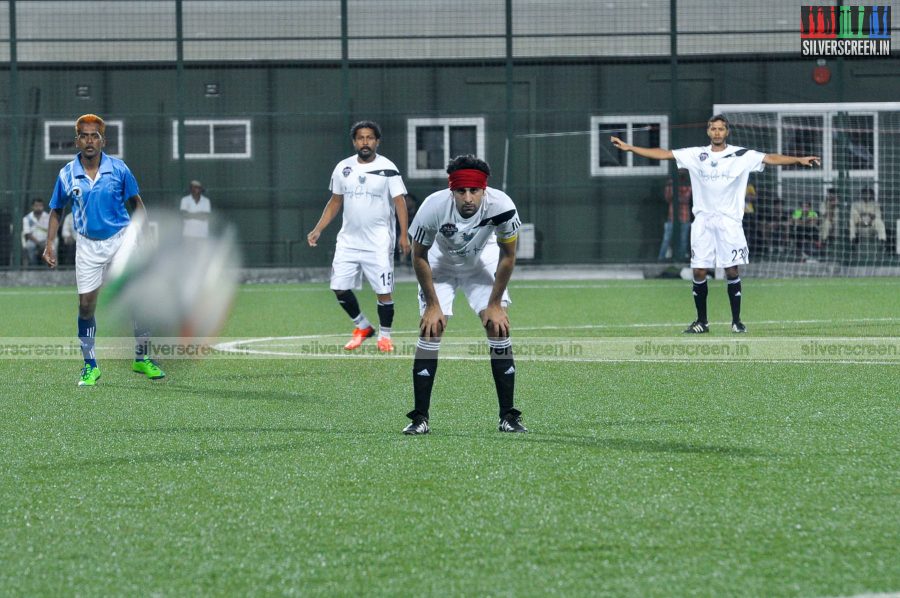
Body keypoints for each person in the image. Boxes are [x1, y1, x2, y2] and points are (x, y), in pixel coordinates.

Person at [611, 115, 820, 334]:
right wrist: (630, 148)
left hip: (729, 223)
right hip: (702, 222)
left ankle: (737, 321)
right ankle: (702, 322)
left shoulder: (742, 155)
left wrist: (798, 159)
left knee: (731, 270)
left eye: (721, 129)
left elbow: (770, 158)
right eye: (713, 129)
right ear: (708, 132)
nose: (717, 132)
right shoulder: (696, 154)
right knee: (699, 271)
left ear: (727, 132)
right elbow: (664, 154)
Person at [402, 155, 526, 435]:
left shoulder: (502, 206)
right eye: (461, 191)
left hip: (481, 262)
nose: (468, 198)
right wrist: (433, 304)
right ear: (451, 190)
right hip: (440, 264)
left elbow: (508, 256)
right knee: (431, 330)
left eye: (474, 191)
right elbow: (419, 256)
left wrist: (494, 303)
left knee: (498, 327)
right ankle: (419, 417)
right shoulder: (432, 207)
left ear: (485, 190)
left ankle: (508, 415)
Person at [43, 114, 165, 386]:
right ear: (77, 140)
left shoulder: (119, 169)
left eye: (94, 136)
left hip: (122, 240)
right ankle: (90, 366)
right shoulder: (66, 174)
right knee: (86, 306)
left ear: (102, 140)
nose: (89, 140)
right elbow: (56, 211)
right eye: (84, 135)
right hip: (87, 246)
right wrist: (49, 244)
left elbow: (136, 203)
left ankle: (142, 358)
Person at [307, 120, 409, 353]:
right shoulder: (343, 168)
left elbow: (399, 202)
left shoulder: (388, 167)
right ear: (354, 142)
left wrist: (404, 235)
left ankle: (385, 336)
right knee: (338, 287)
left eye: (370, 138)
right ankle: (362, 326)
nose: (365, 142)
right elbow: (335, 202)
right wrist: (318, 228)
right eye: (361, 138)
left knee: (383, 292)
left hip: (378, 242)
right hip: (349, 242)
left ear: (377, 141)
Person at [657, 172, 692, 261]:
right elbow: (668, 197)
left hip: (685, 215)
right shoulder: (671, 183)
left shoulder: (688, 183)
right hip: (672, 216)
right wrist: (674, 191)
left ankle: (681, 259)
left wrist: (676, 196)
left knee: (683, 240)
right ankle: (660, 259)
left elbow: (686, 198)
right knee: (666, 239)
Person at [22, 198, 51, 266]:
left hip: (45, 241)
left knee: (49, 247)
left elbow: (51, 232)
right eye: (36, 206)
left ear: (43, 207)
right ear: (32, 206)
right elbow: (27, 234)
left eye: (40, 206)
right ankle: (34, 267)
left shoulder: (48, 217)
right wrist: (38, 243)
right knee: (30, 246)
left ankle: (48, 269)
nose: (38, 207)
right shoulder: (27, 218)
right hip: (32, 241)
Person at [818, 187, 842, 257]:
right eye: (829, 194)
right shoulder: (823, 204)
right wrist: (831, 206)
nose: (830, 196)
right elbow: (826, 215)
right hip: (825, 224)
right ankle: (824, 241)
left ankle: (837, 244)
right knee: (827, 223)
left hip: (837, 225)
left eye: (832, 194)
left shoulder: (840, 204)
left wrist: (836, 205)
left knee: (836, 223)